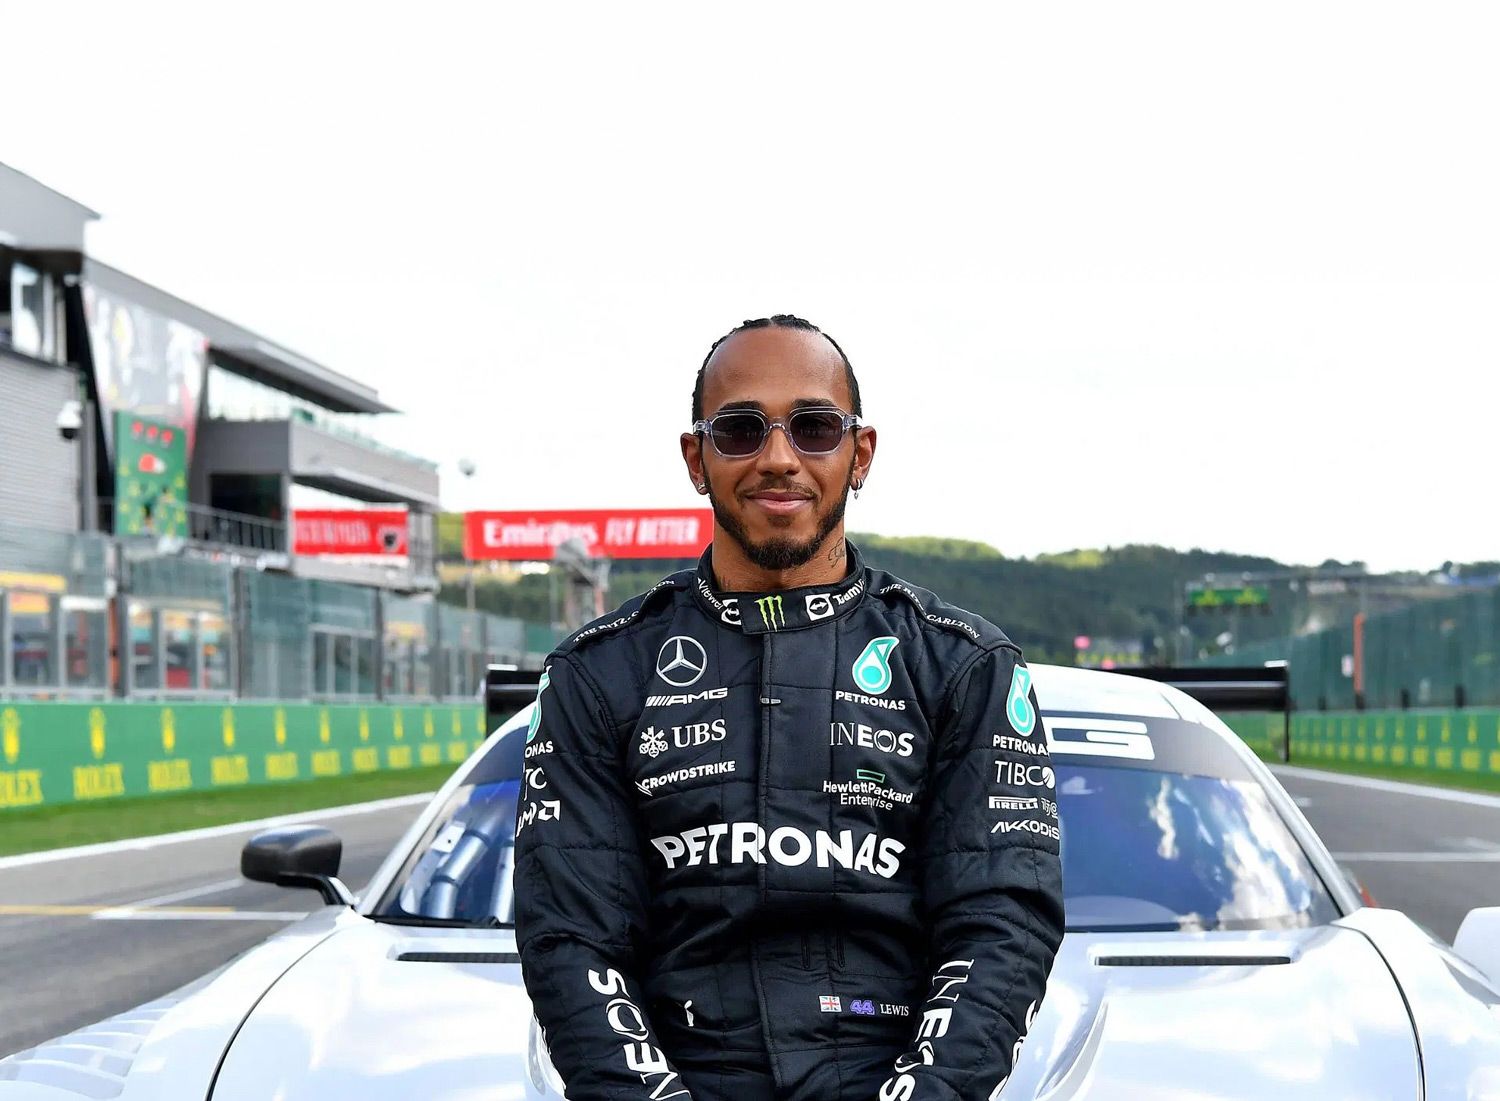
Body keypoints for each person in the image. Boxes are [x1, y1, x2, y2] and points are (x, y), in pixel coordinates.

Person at [515, 315, 1064, 1101]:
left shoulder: (965, 666)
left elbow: (1001, 925)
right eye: (741, 430)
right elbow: (570, 937)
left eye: (814, 427)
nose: (778, 457)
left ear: (860, 453)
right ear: (696, 459)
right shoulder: (596, 674)